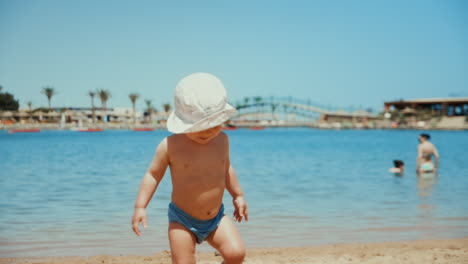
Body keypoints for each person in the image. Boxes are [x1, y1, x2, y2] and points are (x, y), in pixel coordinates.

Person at [132, 73, 248, 264]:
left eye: (213, 124)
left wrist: (238, 195)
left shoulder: (222, 141)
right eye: (199, 126)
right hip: (182, 220)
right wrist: (140, 206)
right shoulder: (169, 145)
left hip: (216, 217)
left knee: (236, 254)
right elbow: (153, 175)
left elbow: (226, 168)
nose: (207, 131)